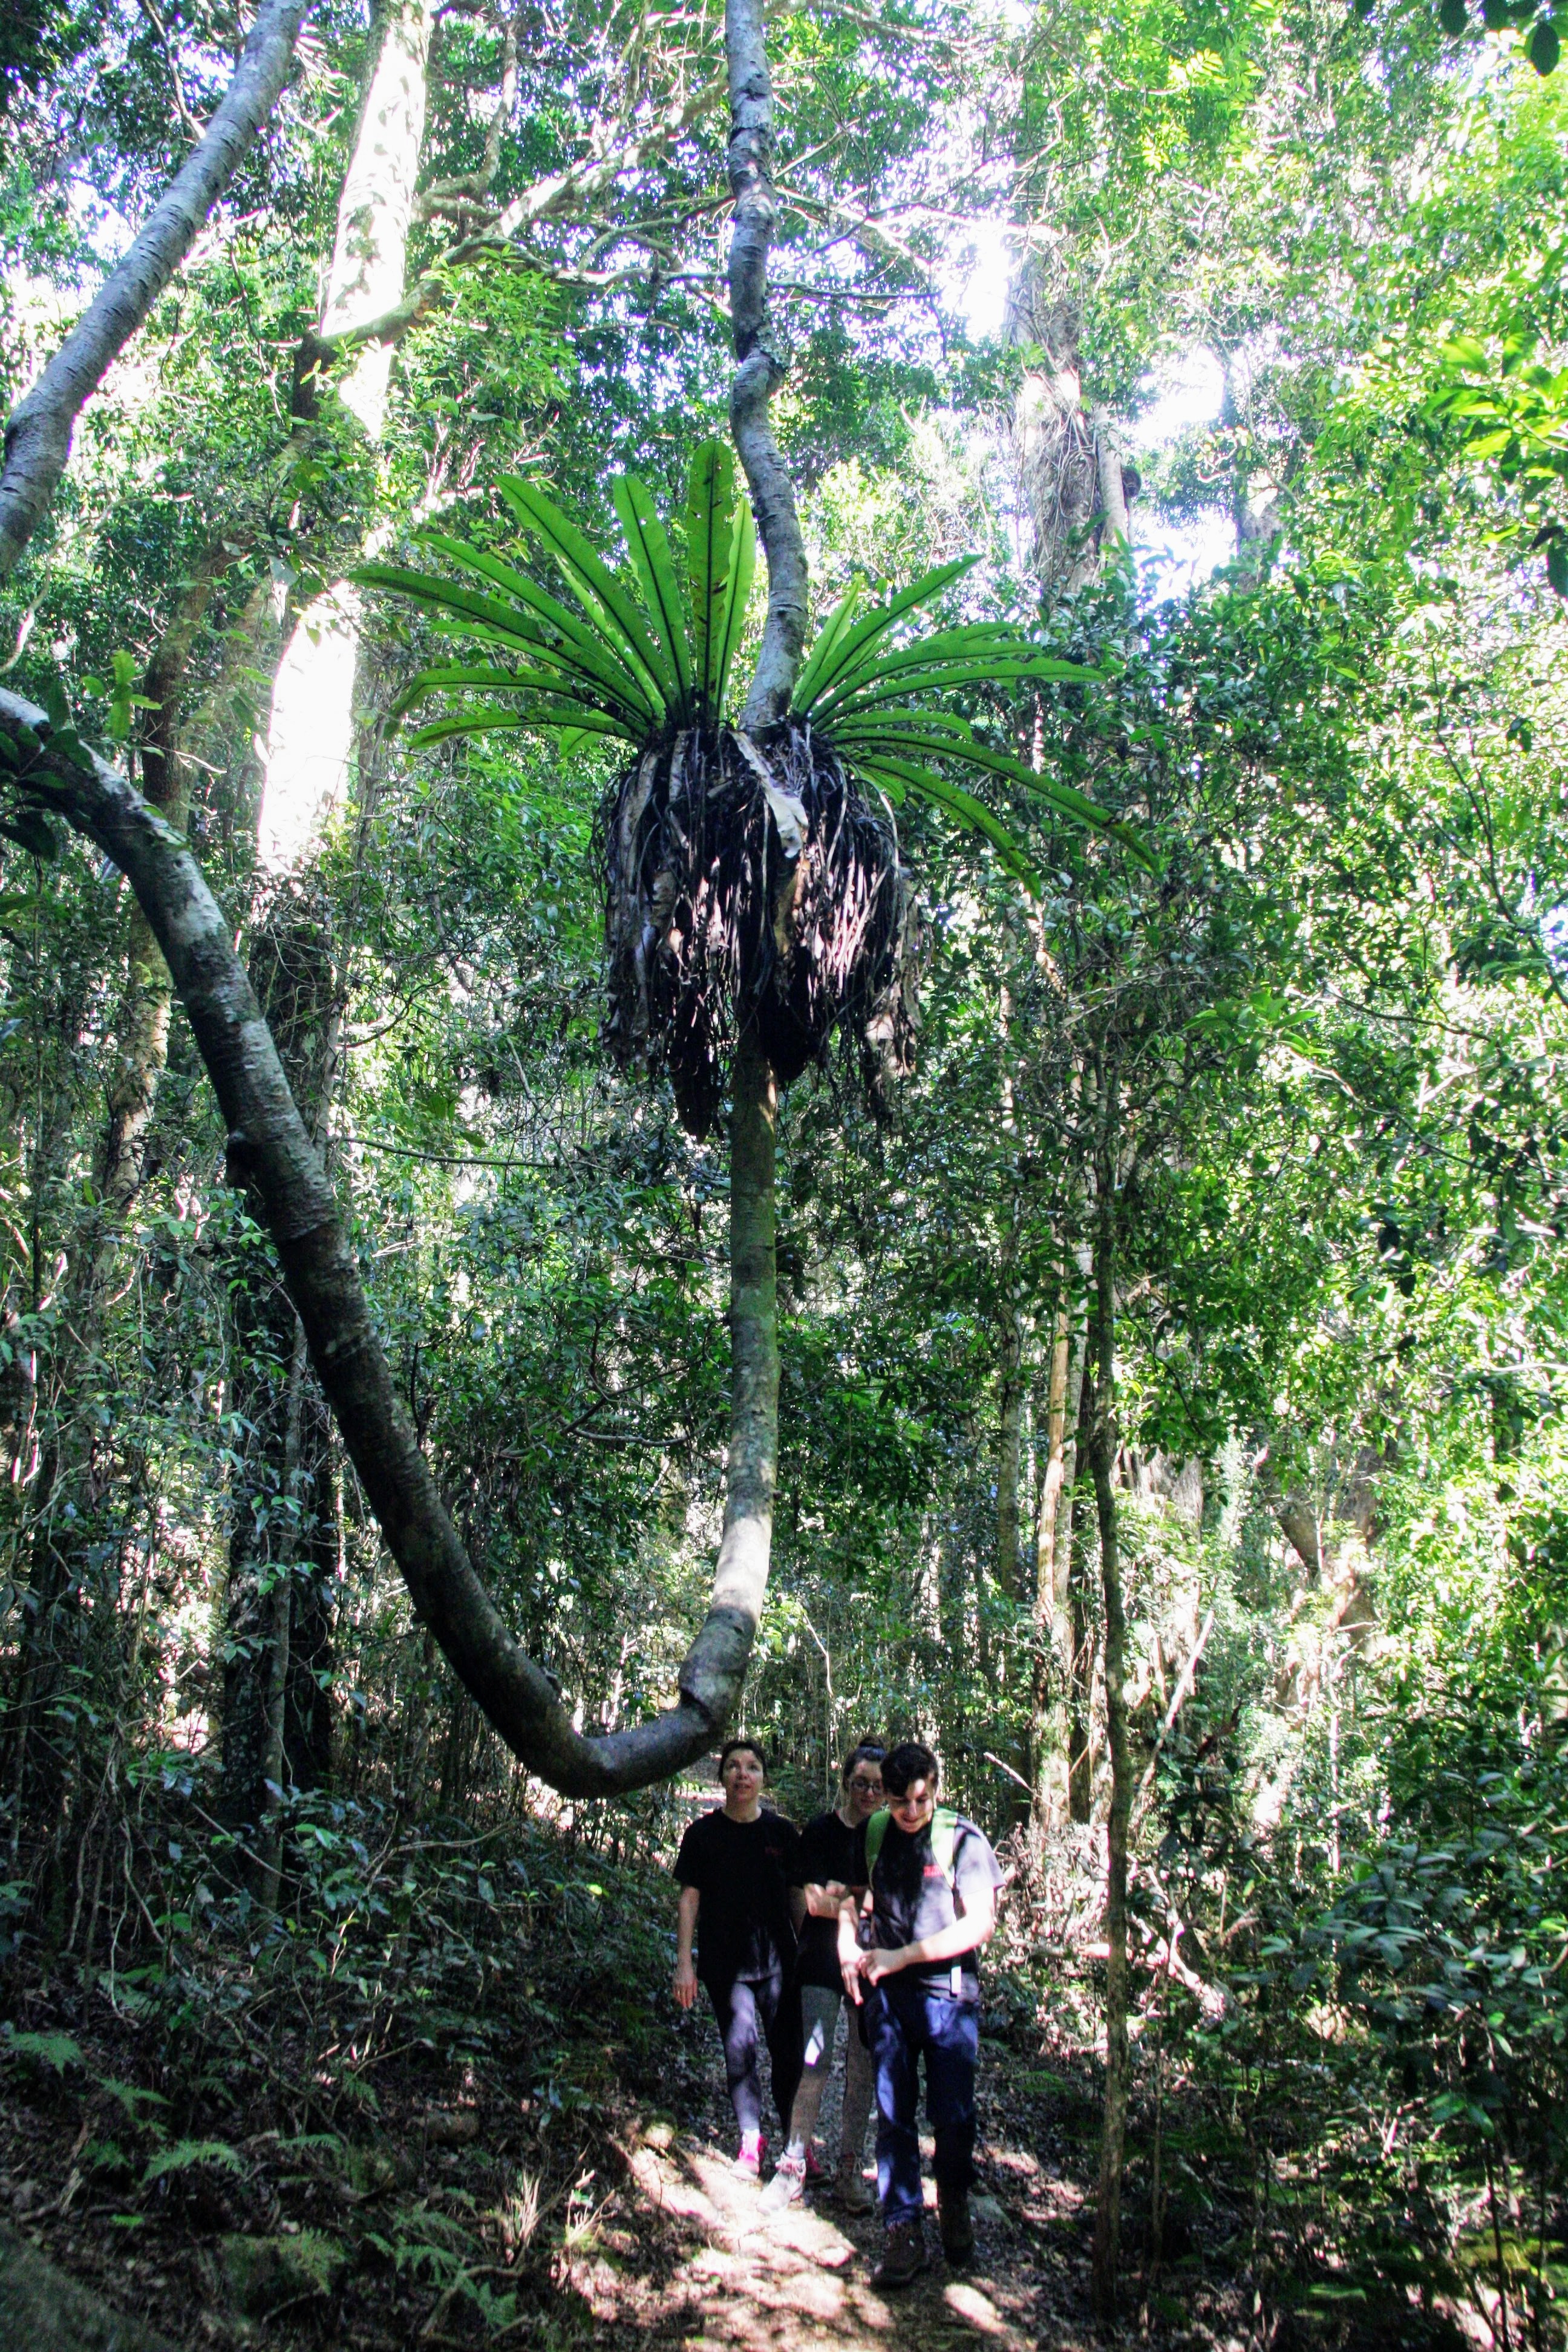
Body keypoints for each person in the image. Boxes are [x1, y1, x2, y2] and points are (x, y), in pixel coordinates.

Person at [838, 1740, 1003, 2287]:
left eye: (921, 1800)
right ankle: (903, 2228)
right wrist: (848, 1948)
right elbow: (853, 1897)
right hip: (888, 1993)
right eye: (899, 1801)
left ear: (934, 1788)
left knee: (953, 2117)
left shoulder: (962, 1839)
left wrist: (903, 1955)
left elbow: (979, 1924)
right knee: (894, 2112)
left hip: (948, 1994)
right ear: (884, 1795)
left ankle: (953, 2198)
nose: (911, 1812)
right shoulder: (875, 1832)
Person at [759, 1739, 886, 2216]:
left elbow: (892, 1902)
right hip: (820, 1959)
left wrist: (846, 1898)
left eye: (877, 1786)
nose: (869, 1794)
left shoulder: (889, 1835)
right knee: (815, 2060)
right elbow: (810, 1900)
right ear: (846, 1782)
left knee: (863, 2067)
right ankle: (792, 2164)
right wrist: (858, 1899)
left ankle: (849, 2169)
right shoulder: (820, 1831)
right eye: (861, 1784)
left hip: (874, 1963)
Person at [672, 1736, 804, 2177]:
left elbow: (797, 1899)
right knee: (740, 2052)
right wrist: (684, 1963)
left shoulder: (782, 1834)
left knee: (787, 2054)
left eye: (752, 1767)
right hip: (725, 1967)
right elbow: (689, 1900)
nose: (742, 1774)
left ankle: (795, 2145)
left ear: (764, 1778)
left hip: (779, 1965)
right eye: (733, 1766)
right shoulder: (703, 1835)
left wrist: (808, 1955)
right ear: (722, 1775)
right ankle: (751, 2141)